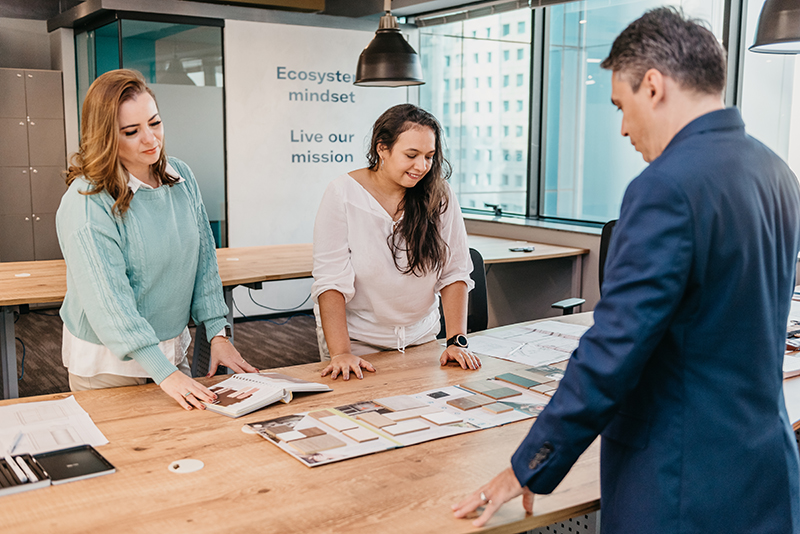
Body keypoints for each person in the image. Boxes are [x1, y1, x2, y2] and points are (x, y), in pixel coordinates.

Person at [453, 8, 800, 533]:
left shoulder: (666, 186)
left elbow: (612, 351)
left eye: (621, 104)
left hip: (680, 484)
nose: (622, 128)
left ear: (654, 86)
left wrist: (527, 466)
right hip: (765, 472)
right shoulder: (776, 172)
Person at [56, 69, 258, 410]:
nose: (150, 139)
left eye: (155, 123)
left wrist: (217, 333)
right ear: (104, 137)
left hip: (168, 355)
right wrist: (165, 372)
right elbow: (110, 305)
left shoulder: (181, 177)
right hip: (108, 368)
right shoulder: (87, 201)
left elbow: (203, 262)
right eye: (132, 132)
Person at [311, 103, 481, 380]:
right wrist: (341, 352)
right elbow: (330, 282)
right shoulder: (342, 193)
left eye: (429, 156)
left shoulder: (440, 195)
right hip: (357, 343)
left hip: (423, 337)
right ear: (382, 148)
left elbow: (454, 272)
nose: (422, 166)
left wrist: (455, 341)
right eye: (411, 155)